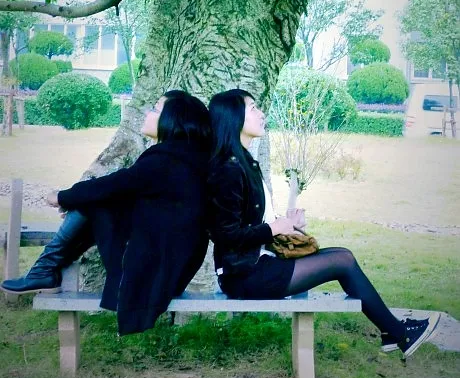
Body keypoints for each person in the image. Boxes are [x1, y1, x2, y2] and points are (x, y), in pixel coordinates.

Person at [207, 89, 440, 358]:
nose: (261, 114)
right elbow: (226, 235)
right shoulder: (227, 169)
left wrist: (288, 224)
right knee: (342, 261)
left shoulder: (244, 161)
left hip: (258, 265)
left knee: (342, 256)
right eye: (253, 108)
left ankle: (393, 332)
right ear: (233, 118)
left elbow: (251, 221)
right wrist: (274, 229)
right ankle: (399, 334)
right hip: (244, 276)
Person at [1, 90, 211, 335]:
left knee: (95, 197)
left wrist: (62, 197)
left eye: (155, 109)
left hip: (153, 276)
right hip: (173, 272)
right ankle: (44, 270)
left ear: (173, 119)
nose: (148, 113)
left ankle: (43, 270)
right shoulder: (190, 158)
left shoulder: (167, 160)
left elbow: (115, 184)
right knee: (95, 198)